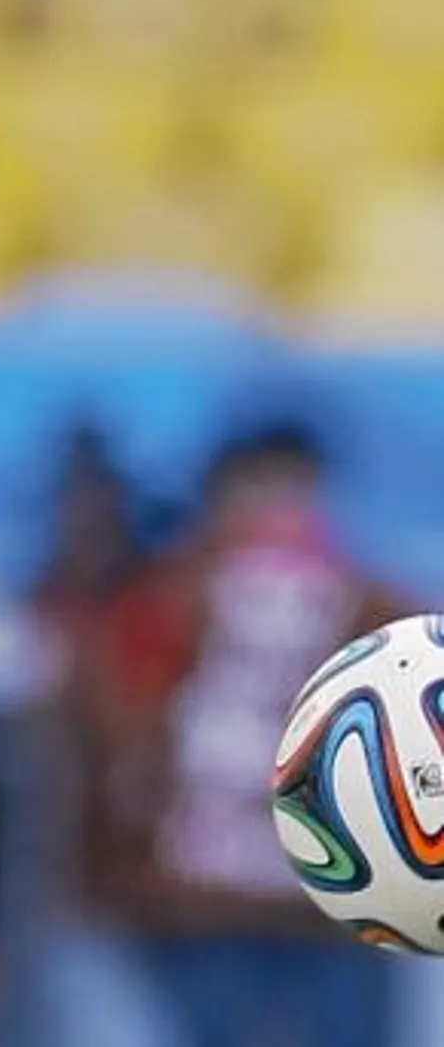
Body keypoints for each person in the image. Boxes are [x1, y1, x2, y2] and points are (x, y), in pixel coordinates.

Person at [89, 423, 401, 1047]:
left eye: (295, 491)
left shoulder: (373, 607)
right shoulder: (169, 602)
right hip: (205, 906)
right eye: (261, 490)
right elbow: (122, 745)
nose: (277, 515)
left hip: (324, 914)